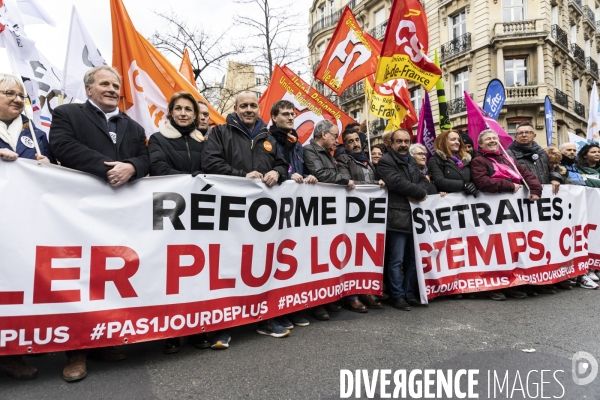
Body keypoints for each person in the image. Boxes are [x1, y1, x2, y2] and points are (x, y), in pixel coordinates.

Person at [49, 65, 149, 382]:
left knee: (110, 279)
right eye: (103, 83)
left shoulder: (133, 126)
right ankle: (76, 351)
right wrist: (109, 168)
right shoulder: (68, 113)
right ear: (89, 88)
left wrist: (132, 167)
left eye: (115, 85)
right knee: (81, 281)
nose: (110, 89)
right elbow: (62, 146)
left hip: (119, 216)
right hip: (79, 214)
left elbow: (148, 159)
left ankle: (103, 341)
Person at [202, 90, 290, 342]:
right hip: (229, 214)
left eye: (253, 105)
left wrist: (277, 172)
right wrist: (242, 176)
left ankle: (265, 317)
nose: (249, 109)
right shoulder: (219, 132)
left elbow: (283, 164)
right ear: (236, 108)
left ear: (259, 109)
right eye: (244, 105)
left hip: (261, 217)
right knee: (228, 266)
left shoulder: (269, 138)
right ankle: (223, 326)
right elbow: (210, 164)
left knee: (260, 266)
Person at [148, 91, 211, 353]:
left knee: (199, 272)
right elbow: (158, 168)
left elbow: (214, 169)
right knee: (172, 273)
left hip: (200, 214)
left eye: (189, 110)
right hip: (170, 213)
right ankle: (171, 332)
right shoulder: (158, 139)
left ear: (195, 116)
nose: (184, 113)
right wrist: (191, 179)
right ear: (171, 112)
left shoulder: (205, 141)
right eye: (179, 109)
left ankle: (197, 328)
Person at [0, 73, 54, 381]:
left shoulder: (34, 132)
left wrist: (48, 166)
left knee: (16, 284)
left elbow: (57, 169)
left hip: (24, 222)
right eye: (9, 93)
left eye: (22, 96)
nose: (18, 100)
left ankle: (13, 352)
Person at [471, 129, 544, 298]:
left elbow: (527, 175)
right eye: (487, 139)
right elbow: (482, 182)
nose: (492, 141)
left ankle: (515, 283)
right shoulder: (479, 161)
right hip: (493, 218)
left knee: (513, 250)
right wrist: (509, 186)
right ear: (480, 144)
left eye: (494, 138)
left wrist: (535, 189)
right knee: (496, 252)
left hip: (512, 216)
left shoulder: (507, 158)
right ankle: (495, 286)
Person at [268, 99, 315, 328]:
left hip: (294, 208)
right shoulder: (268, 140)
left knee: (294, 258)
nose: (289, 117)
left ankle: (293, 306)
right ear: (274, 117)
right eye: (285, 114)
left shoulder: (296, 142)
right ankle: (276, 310)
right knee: (276, 259)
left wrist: (308, 177)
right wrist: (286, 178)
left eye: (292, 114)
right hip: (275, 207)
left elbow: (301, 169)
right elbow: (273, 169)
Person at [304, 119, 355, 320]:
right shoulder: (310, 150)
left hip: (329, 212)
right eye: (334, 135)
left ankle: (327, 298)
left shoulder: (328, 154)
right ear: (323, 134)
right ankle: (317, 303)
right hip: (317, 212)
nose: (336, 140)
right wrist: (343, 179)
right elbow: (320, 173)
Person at [377, 129, 430, 311]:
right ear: (391, 144)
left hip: (414, 217)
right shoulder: (385, 162)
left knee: (413, 259)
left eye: (406, 141)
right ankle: (397, 296)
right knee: (396, 260)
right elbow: (396, 182)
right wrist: (419, 192)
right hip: (396, 216)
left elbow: (424, 181)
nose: (403, 145)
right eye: (399, 141)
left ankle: (408, 293)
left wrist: (419, 191)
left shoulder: (411, 161)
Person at [336, 128, 384, 312]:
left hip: (369, 215)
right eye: (350, 141)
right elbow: (347, 181)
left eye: (357, 140)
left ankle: (365, 291)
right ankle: (352, 296)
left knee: (366, 254)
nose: (355, 144)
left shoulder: (368, 162)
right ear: (345, 145)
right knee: (351, 255)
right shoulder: (343, 160)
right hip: (353, 214)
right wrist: (372, 186)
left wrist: (380, 182)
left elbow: (374, 181)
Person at [506, 121, 563, 195]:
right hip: (522, 196)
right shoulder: (508, 154)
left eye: (527, 132)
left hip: (544, 196)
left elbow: (550, 170)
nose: (524, 135)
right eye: (520, 133)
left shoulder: (542, 153)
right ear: (516, 136)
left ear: (534, 135)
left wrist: (555, 178)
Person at [428, 129, 478, 197]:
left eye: (458, 140)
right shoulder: (435, 160)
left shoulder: (466, 159)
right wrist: (463, 185)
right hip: (449, 202)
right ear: (443, 142)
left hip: (468, 200)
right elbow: (439, 181)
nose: (457, 142)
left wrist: (472, 185)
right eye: (453, 139)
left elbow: (473, 176)